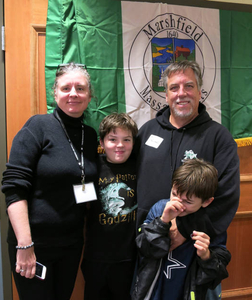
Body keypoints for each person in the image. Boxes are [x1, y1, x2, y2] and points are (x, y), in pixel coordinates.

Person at [1, 62, 98, 300]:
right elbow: (14, 189)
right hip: (34, 244)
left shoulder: (90, 134)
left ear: (89, 95)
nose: (73, 93)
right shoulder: (38, 127)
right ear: (55, 93)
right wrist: (25, 246)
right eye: (66, 88)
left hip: (71, 244)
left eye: (80, 88)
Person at [135, 60, 240, 246]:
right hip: (148, 240)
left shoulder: (220, 138)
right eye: (174, 88)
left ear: (199, 92)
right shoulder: (147, 132)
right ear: (166, 95)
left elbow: (226, 197)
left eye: (189, 86)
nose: (181, 93)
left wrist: (184, 230)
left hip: (194, 245)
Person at [132, 159, 231, 300]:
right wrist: (162, 222)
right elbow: (144, 249)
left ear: (206, 201)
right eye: (174, 194)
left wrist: (206, 256)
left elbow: (217, 273)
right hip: (154, 291)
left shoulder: (211, 223)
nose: (178, 203)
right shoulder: (160, 208)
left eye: (188, 201)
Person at [82, 112, 138, 300]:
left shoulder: (140, 166)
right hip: (96, 257)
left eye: (126, 139)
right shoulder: (91, 168)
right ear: (101, 142)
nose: (120, 145)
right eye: (113, 139)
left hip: (129, 258)